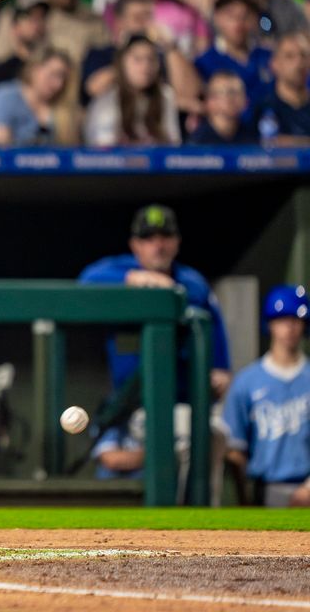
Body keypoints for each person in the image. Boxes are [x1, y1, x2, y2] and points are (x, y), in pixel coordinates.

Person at [78, 204, 231, 398]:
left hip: (182, 394)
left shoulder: (192, 282)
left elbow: (214, 322)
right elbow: (87, 281)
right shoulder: (119, 270)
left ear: (177, 242)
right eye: (149, 238)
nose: (158, 246)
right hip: (130, 398)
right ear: (135, 245)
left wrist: (220, 366)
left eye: (165, 237)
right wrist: (133, 278)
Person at [223, 285, 310, 507]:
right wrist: (246, 494)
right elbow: (234, 448)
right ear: (270, 324)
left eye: (295, 319)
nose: (289, 327)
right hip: (265, 488)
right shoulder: (247, 381)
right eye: (282, 319)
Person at [84, 35, 181, 147]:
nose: (145, 66)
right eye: (137, 59)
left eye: (151, 59)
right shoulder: (107, 97)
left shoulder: (166, 95)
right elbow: (102, 149)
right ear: (122, 63)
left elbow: (174, 145)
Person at [0, 48, 81, 146]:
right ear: (34, 69)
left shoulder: (64, 108)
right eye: (53, 74)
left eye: (63, 78)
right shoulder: (5, 97)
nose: (58, 84)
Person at [253, 31, 310, 145]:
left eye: (303, 55)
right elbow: (268, 146)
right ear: (274, 64)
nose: (299, 63)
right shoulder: (264, 105)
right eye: (289, 56)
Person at [188, 72, 259, 145]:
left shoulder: (251, 138)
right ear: (209, 99)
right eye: (224, 93)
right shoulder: (198, 142)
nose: (230, 99)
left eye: (238, 93)